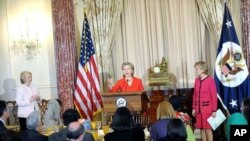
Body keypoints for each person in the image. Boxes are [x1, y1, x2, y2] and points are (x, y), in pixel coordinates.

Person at [192, 61, 217, 141]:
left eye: (197, 69)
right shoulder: (196, 80)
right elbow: (194, 96)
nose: (195, 71)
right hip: (198, 110)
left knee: (208, 129)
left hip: (208, 110)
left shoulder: (210, 80)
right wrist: (193, 108)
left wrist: (214, 110)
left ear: (202, 70)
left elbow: (214, 96)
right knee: (201, 129)